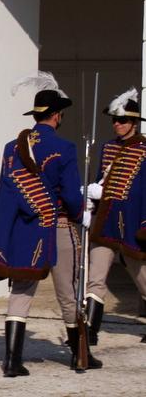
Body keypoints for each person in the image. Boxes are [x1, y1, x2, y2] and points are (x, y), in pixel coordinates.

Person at [0, 72, 100, 377]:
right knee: (66, 292)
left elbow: (4, 192)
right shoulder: (65, 148)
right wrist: (84, 215)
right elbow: (69, 193)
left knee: (22, 291)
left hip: (26, 231)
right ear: (57, 116)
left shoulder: (11, 148)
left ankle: (12, 361)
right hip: (58, 227)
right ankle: (79, 355)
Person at [84, 87, 146, 345]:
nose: (117, 124)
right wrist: (91, 199)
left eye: (122, 120)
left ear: (133, 122)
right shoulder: (107, 147)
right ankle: (89, 332)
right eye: (114, 120)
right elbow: (102, 180)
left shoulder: (144, 150)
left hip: (132, 223)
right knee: (95, 279)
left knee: (142, 278)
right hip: (106, 221)